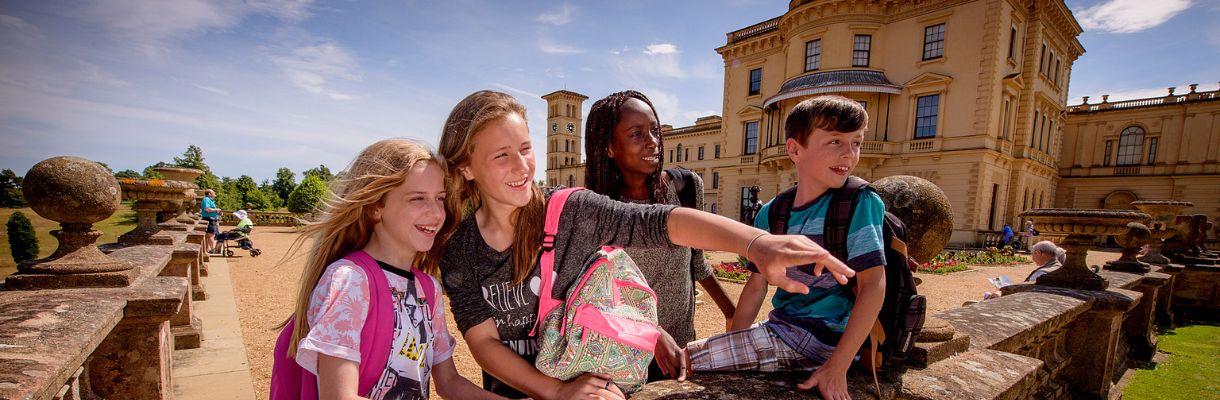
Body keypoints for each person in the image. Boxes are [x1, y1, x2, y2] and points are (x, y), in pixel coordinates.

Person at [429, 90, 855, 400]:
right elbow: (482, 345)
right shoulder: (459, 249)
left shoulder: (572, 211)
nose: (522, 167)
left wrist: (757, 243)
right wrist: (555, 393)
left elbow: (661, 223)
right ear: (465, 167)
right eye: (502, 156)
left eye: (525, 149)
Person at [685, 96, 886, 400]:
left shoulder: (859, 202)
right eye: (834, 141)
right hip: (784, 330)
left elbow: (874, 286)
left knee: (682, 361)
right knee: (685, 358)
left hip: (825, 341)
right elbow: (756, 285)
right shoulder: (774, 212)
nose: (849, 153)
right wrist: (734, 342)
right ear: (795, 149)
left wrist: (837, 367)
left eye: (856, 142)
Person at [270, 139, 500, 400]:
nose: (436, 213)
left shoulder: (428, 289)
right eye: (417, 199)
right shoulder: (350, 280)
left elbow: (448, 382)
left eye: (440, 199)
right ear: (376, 207)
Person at [582, 90, 737, 382]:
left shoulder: (686, 188)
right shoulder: (594, 209)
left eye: (654, 130)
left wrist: (733, 313)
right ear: (609, 148)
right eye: (636, 134)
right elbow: (596, 293)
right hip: (619, 356)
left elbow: (697, 262)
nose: (653, 141)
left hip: (679, 349)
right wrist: (650, 332)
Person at [200, 189, 221, 254]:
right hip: (209, 219)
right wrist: (216, 209)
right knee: (211, 235)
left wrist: (218, 212)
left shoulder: (209, 200)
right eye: (214, 193)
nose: (215, 194)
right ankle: (212, 249)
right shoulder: (206, 199)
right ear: (209, 194)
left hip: (211, 219)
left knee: (210, 235)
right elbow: (207, 209)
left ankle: (208, 249)